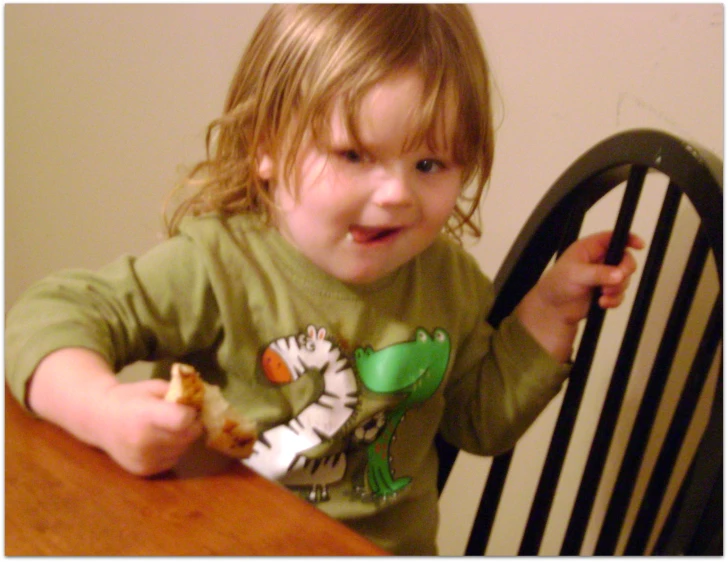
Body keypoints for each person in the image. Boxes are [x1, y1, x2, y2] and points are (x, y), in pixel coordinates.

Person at [5, 5, 643, 555]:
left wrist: (550, 311)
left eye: (429, 163)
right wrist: (103, 409)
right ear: (266, 145)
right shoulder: (218, 266)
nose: (396, 194)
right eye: (353, 155)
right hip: (203, 538)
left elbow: (481, 420)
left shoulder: (446, 281)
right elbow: (47, 316)